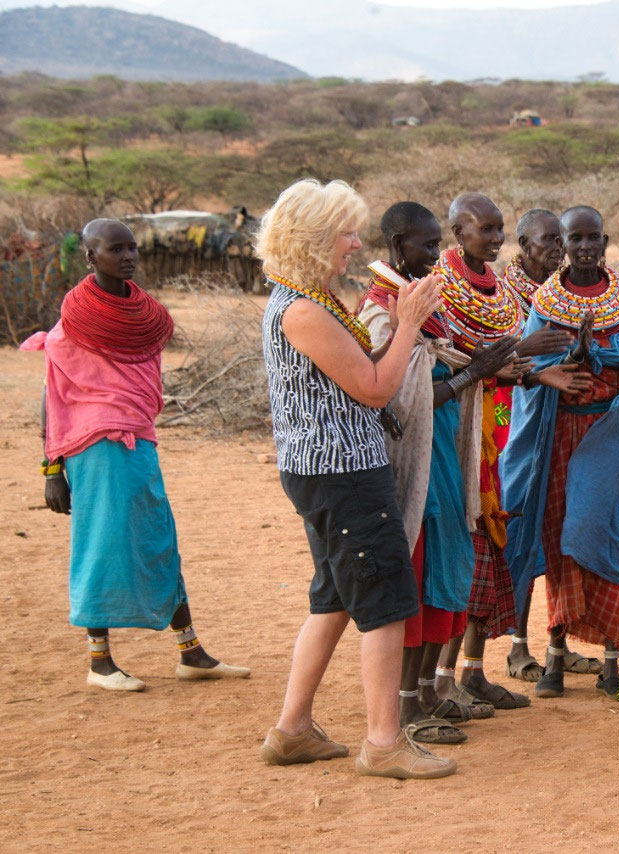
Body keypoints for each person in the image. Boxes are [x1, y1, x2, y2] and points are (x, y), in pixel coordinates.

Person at [257, 178, 454, 780]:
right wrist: (410, 325)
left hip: (323, 470)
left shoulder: (302, 300)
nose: (354, 244)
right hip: (342, 471)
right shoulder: (304, 311)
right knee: (385, 599)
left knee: (336, 597)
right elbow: (375, 388)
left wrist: (395, 325)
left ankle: (292, 730)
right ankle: (383, 742)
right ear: (313, 239)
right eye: (345, 233)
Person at [22, 218, 248, 693]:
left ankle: (191, 652)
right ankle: (99, 662)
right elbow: (52, 391)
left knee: (159, 538)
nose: (128, 257)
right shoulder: (78, 319)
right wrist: (51, 469)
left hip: (138, 441)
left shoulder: (143, 315)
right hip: (93, 447)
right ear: (91, 257)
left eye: (132, 248)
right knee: (100, 545)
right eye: (115, 249)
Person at [357, 200, 524, 743]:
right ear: (396, 244)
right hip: (414, 459)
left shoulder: (422, 301)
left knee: (448, 566)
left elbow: (441, 369)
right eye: (426, 245)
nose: (436, 254)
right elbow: (398, 399)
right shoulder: (381, 310)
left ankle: (427, 689)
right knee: (423, 572)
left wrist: (493, 367)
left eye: (437, 243)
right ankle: (406, 704)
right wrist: (476, 371)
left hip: (445, 452)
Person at [422, 193, 589, 711]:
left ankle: (472, 672)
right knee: (465, 546)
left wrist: (534, 371)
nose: (495, 239)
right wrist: (523, 352)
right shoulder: (440, 287)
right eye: (486, 230)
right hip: (459, 429)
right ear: (458, 233)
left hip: (495, 429)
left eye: (499, 229)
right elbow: (458, 359)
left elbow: (497, 364)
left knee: (492, 541)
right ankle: (439, 680)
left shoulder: (492, 288)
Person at [502, 205, 619, 699]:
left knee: (610, 535)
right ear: (563, 245)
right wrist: (573, 356)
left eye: (594, 238)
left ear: (605, 242)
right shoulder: (546, 304)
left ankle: (612, 658)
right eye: (576, 239)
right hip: (559, 435)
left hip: (612, 436)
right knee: (561, 541)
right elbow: (531, 373)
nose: (585, 247)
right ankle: (554, 654)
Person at [500, 208, 564, 309]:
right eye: (549, 239)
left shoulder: (563, 288)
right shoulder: (503, 297)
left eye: (560, 239)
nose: (559, 247)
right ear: (524, 244)